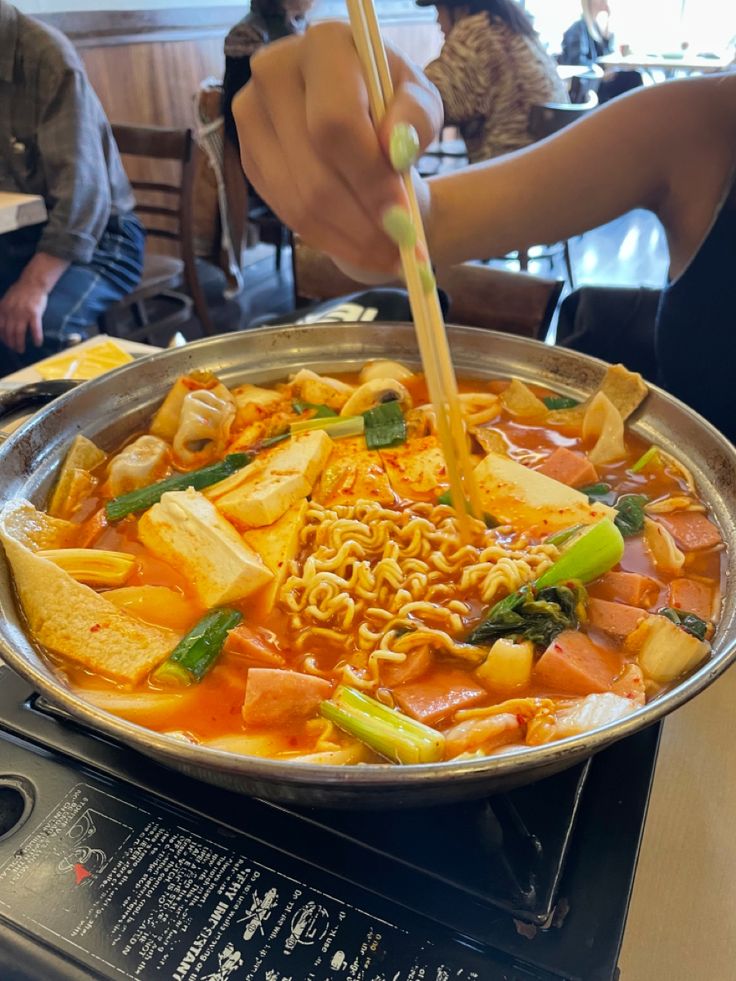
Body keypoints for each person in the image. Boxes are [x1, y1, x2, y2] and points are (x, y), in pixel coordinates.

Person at [232, 22, 736, 443]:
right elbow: (405, 232)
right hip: (526, 149)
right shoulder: (704, 121)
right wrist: (354, 129)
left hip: (496, 147)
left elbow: (447, 89)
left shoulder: (473, 34)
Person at [0, 0, 144, 370]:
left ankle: (60, 422)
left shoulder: (44, 58)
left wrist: (34, 285)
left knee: (38, 328)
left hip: (103, 235)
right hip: (18, 235)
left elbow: (84, 196)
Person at [419, 0, 568, 164]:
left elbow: (423, 99)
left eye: (438, 9)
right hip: (547, 168)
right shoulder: (515, 29)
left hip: (509, 173)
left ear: (458, 7)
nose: (437, 20)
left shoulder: (476, 35)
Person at [222, 0, 315, 150]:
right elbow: (239, 113)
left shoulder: (304, 26)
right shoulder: (247, 34)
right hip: (264, 140)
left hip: (296, 129)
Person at [559, 0, 642, 103]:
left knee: (634, 75)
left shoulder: (595, 27)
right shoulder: (578, 28)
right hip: (590, 85)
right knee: (633, 78)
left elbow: (607, 53)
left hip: (599, 81)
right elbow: (577, 64)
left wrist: (608, 21)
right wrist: (601, 74)